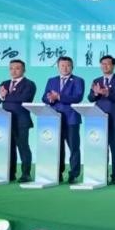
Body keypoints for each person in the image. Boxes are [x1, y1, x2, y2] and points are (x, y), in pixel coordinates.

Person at [0, 59, 36, 183]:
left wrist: (4, 96)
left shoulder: (29, 84)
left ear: (24, 70)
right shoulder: (5, 83)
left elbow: (24, 98)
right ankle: (10, 174)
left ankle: (26, 174)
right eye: (11, 68)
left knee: (23, 147)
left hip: (21, 121)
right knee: (9, 148)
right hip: (6, 121)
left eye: (17, 68)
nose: (14, 71)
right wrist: (1, 95)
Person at [42, 56, 85, 184]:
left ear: (72, 67)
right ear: (58, 67)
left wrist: (59, 96)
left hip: (71, 118)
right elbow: (44, 97)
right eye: (62, 66)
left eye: (68, 66)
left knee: (74, 147)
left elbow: (77, 97)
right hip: (55, 118)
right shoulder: (51, 81)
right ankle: (58, 173)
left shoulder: (78, 80)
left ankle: (74, 174)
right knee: (57, 147)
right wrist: (50, 99)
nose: (65, 68)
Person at [87, 55, 115, 185]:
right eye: (102, 64)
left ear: (113, 66)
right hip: (99, 119)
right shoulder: (97, 80)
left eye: (108, 64)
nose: (105, 66)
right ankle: (101, 174)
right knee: (100, 148)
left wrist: (107, 94)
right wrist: (96, 93)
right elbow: (90, 98)